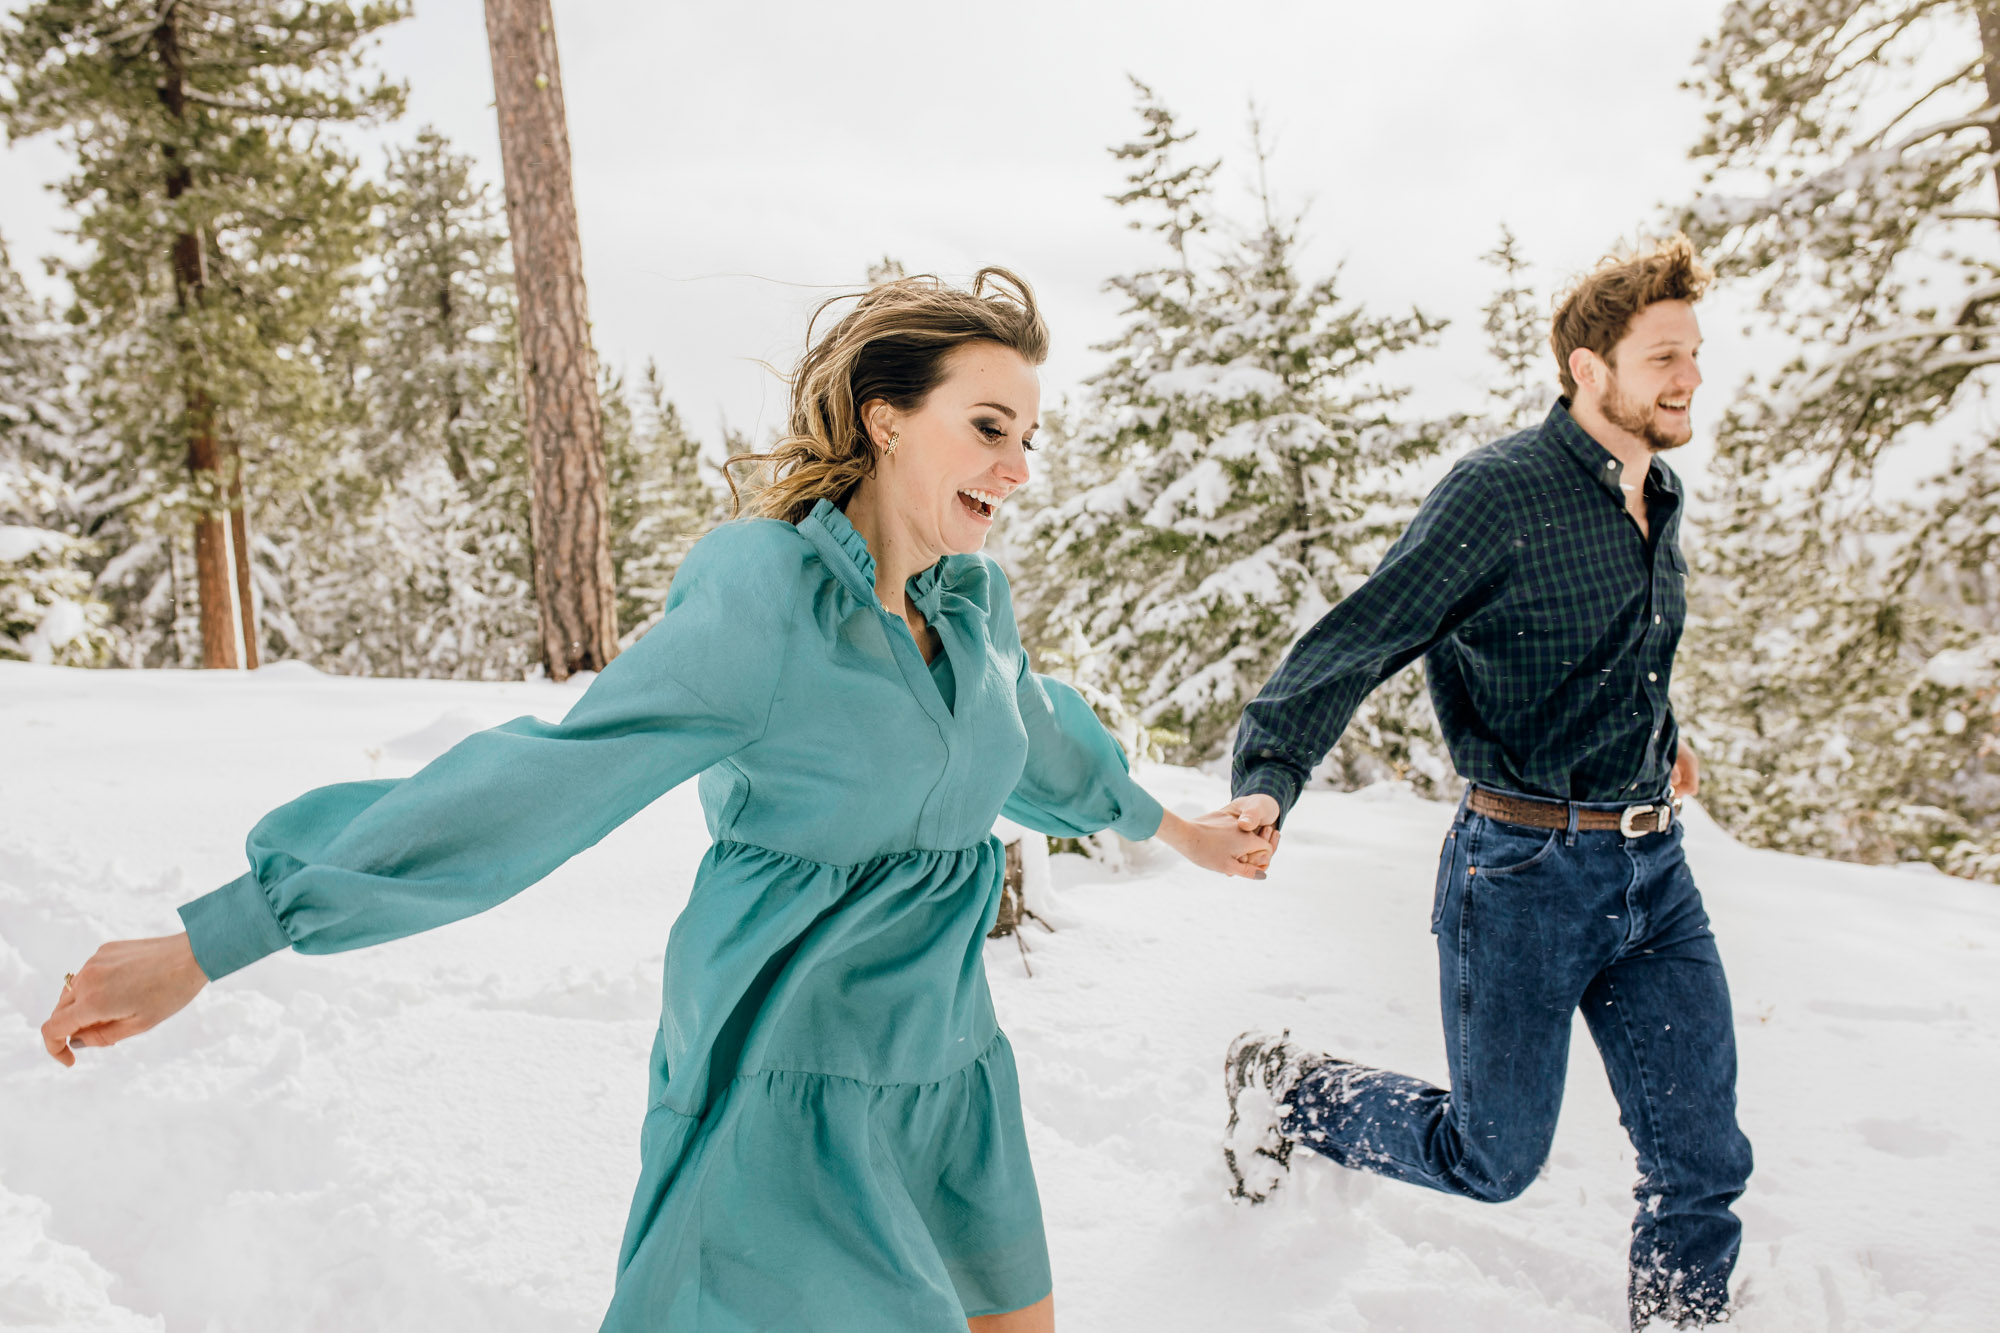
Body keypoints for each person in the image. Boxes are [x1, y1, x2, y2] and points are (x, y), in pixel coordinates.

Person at [40, 268, 1275, 1333]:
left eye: (1028, 441)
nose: (1015, 468)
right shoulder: (763, 599)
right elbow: (546, 777)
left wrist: (1177, 829)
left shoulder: (968, 606)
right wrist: (221, 935)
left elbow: (1035, 742)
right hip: (789, 1066)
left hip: (951, 1064)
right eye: (989, 427)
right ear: (886, 418)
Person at [1217, 236, 1753, 1330]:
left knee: (1700, 1159)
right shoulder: (1497, 495)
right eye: (1662, 356)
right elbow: (1360, 637)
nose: (1688, 377)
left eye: (1692, 353)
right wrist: (1269, 773)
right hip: (1522, 872)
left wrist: (1661, 739)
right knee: (1490, 1155)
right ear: (1584, 367)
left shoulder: (1660, 493)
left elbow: (1618, 651)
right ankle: (1292, 1087)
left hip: (1653, 872)